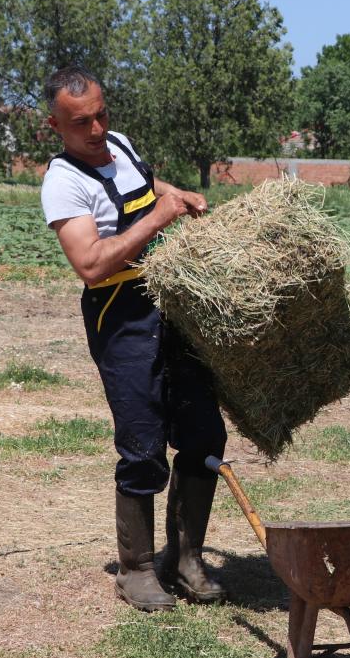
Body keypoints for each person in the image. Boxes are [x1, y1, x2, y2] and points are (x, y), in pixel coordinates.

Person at [39, 64, 228, 611]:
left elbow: (146, 189)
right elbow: (91, 264)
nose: (96, 130)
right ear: (55, 125)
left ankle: (186, 558)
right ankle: (137, 568)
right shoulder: (63, 183)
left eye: (101, 114)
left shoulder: (119, 143)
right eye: (81, 123)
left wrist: (175, 194)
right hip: (121, 314)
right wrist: (161, 217)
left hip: (171, 304)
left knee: (203, 432)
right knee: (143, 442)